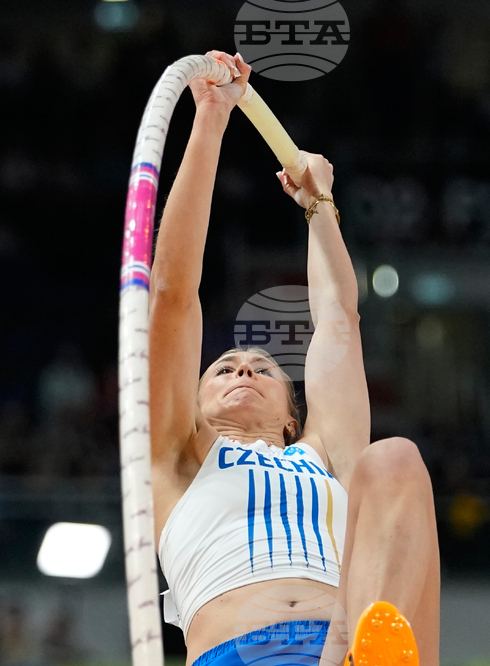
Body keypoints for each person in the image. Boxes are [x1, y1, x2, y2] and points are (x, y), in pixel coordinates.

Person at [150, 50, 440, 666]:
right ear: (195, 405)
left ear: (292, 415)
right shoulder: (178, 461)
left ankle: (371, 649)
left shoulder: (323, 454)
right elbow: (173, 296)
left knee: (393, 460)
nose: (243, 369)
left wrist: (320, 206)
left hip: (342, 644)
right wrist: (209, 117)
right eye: (223, 368)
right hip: (238, 652)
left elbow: (339, 317)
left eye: (261, 368)